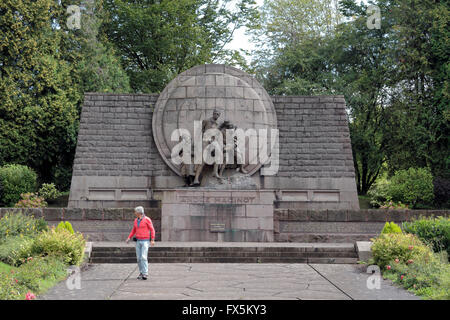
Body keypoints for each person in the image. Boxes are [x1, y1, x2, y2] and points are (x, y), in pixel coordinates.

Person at [126, 206, 155, 280]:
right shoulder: (136, 220)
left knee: (143, 257)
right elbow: (134, 230)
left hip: (145, 241)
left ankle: (145, 273)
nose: (134, 213)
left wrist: (152, 239)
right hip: (138, 241)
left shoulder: (147, 219)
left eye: (135, 212)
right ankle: (141, 272)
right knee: (139, 258)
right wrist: (129, 237)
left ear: (139, 213)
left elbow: (152, 230)